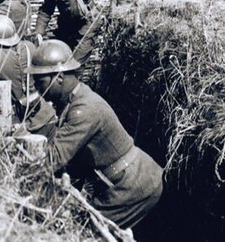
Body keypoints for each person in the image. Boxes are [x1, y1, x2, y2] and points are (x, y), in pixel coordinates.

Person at [24, 39, 164, 234]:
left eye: (40, 82)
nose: (38, 90)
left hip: (132, 186)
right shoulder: (74, 101)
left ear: (58, 77)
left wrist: (22, 170)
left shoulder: (84, 110)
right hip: (126, 179)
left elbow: (54, 158)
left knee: (83, 232)